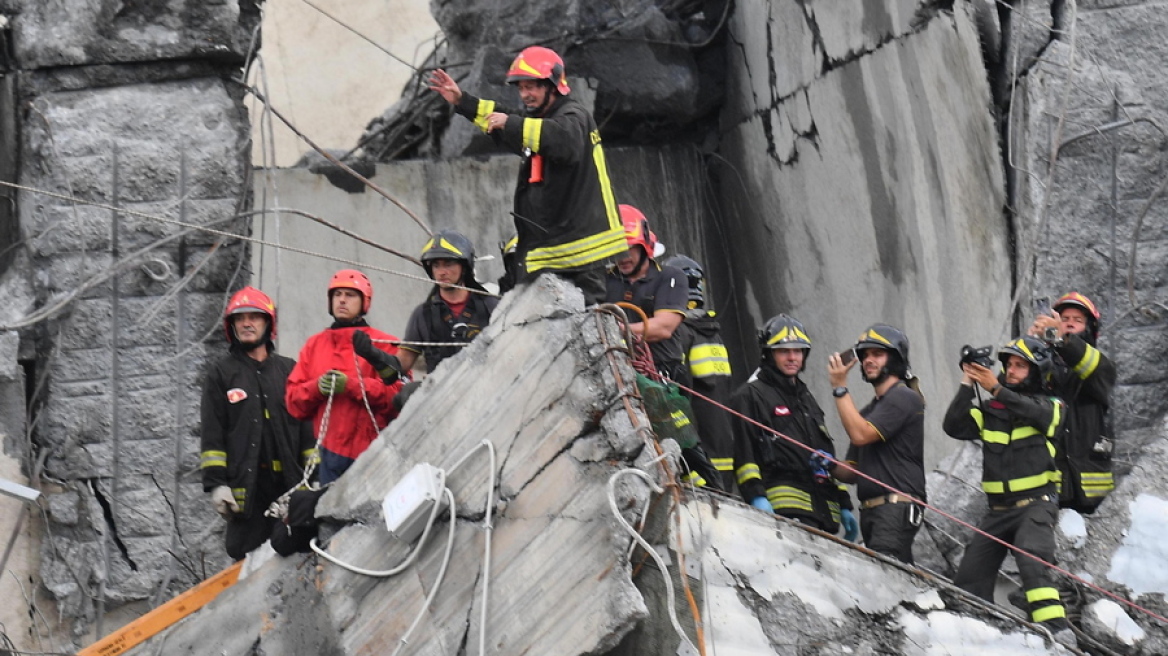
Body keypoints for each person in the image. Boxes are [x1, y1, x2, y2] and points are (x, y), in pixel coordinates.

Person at [428, 46, 625, 304]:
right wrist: (461, 100)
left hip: (580, 252)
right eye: (521, 88)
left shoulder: (573, 116)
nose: (525, 95)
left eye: (531, 87)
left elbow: (561, 140)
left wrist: (510, 124)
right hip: (558, 249)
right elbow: (505, 120)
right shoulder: (539, 121)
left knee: (588, 324)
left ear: (553, 84)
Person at [942, 336, 1075, 646]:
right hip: (997, 513)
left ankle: (1058, 637)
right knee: (969, 581)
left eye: (1020, 366)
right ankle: (973, 637)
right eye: (1009, 365)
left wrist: (994, 387)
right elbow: (953, 425)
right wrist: (967, 380)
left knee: (1032, 558)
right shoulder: (993, 410)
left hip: (1036, 506)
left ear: (1038, 370)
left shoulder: (1053, 406)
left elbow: (1033, 410)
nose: (1011, 371)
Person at [200, 287, 315, 560]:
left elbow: (307, 429)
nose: (247, 323)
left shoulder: (289, 370)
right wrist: (217, 485)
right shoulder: (221, 374)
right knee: (247, 560)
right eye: (240, 318)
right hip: (248, 494)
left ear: (268, 324)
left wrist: (314, 476)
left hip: (289, 488)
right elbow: (212, 435)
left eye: (254, 317)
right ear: (232, 326)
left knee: (296, 557)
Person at [731, 314, 857, 538]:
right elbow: (745, 456)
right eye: (783, 351)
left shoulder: (807, 397)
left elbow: (827, 455)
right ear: (768, 354)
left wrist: (845, 503)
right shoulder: (750, 395)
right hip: (785, 513)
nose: (792, 357)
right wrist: (756, 497)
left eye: (798, 351)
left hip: (825, 515)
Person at [285, 270, 405, 484]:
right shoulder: (314, 345)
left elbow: (397, 398)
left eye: (350, 295)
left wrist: (351, 386)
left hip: (374, 455)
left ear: (364, 302)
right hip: (329, 457)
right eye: (337, 294)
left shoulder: (384, 343)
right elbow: (293, 402)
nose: (341, 300)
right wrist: (317, 388)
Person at [828, 324, 926, 563]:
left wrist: (840, 387)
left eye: (877, 354)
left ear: (895, 358)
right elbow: (853, 471)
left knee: (884, 573)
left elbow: (860, 435)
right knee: (895, 581)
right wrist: (827, 464)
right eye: (865, 355)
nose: (868, 360)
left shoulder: (904, 397)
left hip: (895, 508)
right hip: (872, 511)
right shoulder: (870, 411)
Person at [1028, 292, 1117, 513]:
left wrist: (1056, 335)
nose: (1069, 324)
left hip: (1093, 494)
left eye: (1077, 321)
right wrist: (1029, 345)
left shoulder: (1099, 366)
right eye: (1064, 319)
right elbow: (1013, 387)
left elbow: (1083, 359)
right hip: (1048, 487)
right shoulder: (1041, 363)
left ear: (1089, 328)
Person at [663, 254, 736, 490]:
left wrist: (688, 466)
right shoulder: (712, 333)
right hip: (717, 458)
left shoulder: (679, 335)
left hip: (699, 465)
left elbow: (676, 399)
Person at [605, 205, 689, 383]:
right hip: (617, 370)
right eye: (616, 250)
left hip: (662, 374)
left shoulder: (670, 277)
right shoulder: (603, 280)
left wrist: (615, 330)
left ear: (644, 247)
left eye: (628, 249)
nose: (622, 257)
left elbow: (663, 327)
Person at [398, 230, 499, 374]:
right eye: (436, 265)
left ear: (464, 267)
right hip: (441, 394)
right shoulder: (423, 314)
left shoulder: (490, 305)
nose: (441, 272)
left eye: (448, 264)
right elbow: (400, 366)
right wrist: (374, 356)